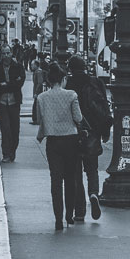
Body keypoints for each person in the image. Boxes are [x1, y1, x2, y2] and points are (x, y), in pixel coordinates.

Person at [33, 65, 88, 229]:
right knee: (71, 179)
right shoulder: (71, 95)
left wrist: (41, 134)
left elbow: (39, 119)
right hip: (70, 140)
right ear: (63, 79)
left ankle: (58, 218)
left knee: (55, 180)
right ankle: (69, 215)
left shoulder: (42, 98)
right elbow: (78, 117)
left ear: (49, 80)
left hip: (53, 142)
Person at [65, 56, 110, 220]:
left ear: (70, 68)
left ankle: (80, 212)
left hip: (73, 133)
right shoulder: (96, 82)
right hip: (93, 133)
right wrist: (105, 131)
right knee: (92, 170)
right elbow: (104, 108)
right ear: (85, 67)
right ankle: (93, 194)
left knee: (75, 173)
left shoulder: (68, 84)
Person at [0, 50, 26, 162]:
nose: (6, 55)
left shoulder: (18, 67)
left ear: (11, 53)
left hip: (14, 102)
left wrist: (6, 84)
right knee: (5, 128)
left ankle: (12, 151)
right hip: (2, 102)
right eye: (4, 53)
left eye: (8, 53)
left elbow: (19, 84)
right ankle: (6, 153)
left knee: (15, 129)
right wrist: (12, 84)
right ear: (1, 55)